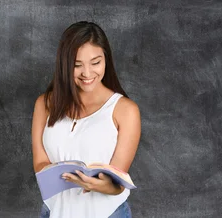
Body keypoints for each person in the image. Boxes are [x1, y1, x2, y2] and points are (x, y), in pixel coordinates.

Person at [31, 21, 140, 218]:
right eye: (77, 65)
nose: (87, 73)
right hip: (54, 212)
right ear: (64, 65)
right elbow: (40, 162)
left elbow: (117, 182)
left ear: (106, 59)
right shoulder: (44, 104)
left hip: (106, 213)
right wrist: (63, 175)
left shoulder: (125, 110)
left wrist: (99, 185)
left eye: (96, 62)